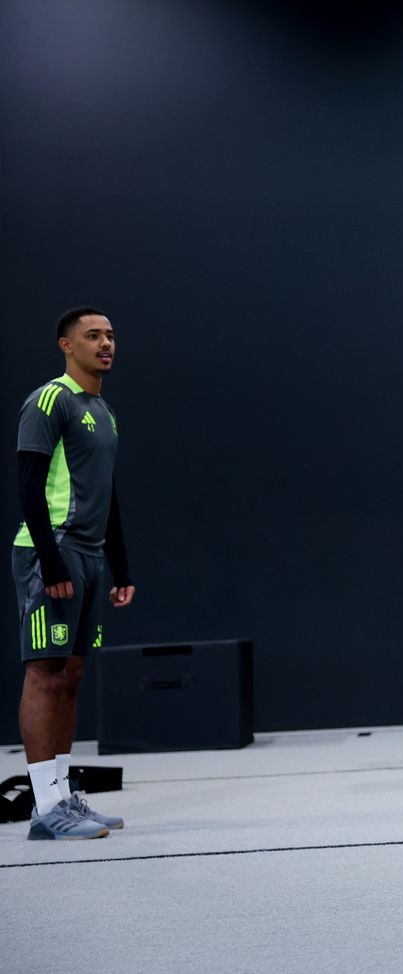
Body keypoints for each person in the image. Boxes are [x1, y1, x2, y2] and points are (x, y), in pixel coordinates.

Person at [14, 307, 134, 839]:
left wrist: (121, 566)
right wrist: (53, 560)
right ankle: (44, 810)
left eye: (109, 335)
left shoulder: (104, 412)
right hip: (52, 554)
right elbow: (28, 487)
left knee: (74, 676)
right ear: (66, 345)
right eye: (93, 336)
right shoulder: (50, 401)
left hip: (89, 555)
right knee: (46, 673)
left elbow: (108, 497)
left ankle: (64, 796)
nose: (105, 343)